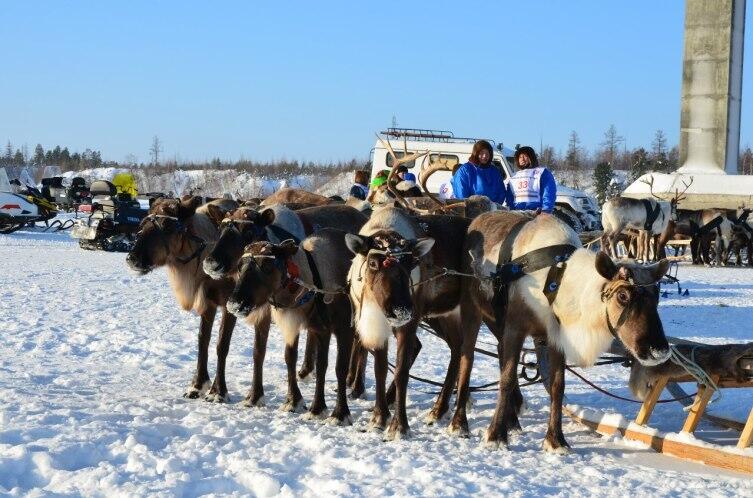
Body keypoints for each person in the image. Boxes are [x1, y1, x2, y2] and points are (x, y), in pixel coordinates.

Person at [451, 139, 510, 205]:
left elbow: (501, 192)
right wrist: (472, 207)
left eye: (487, 154)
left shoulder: (494, 171)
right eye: (482, 153)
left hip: (492, 211)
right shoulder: (465, 170)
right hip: (472, 211)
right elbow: (461, 194)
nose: (485, 156)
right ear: (476, 153)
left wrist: (494, 206)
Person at [508, 146, 557, 213]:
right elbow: (510, 196)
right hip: (518, 214)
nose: (522, 159)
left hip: (537, 213)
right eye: (520, 157)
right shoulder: (514, 177)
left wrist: (546, 210)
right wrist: (511, 210)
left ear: (531, 157)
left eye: (525, 156)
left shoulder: (541, 172)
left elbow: (548, 192)